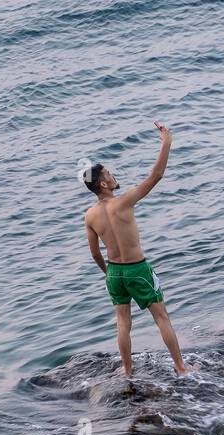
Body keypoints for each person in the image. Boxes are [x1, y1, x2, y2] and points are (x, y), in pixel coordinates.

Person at [83, 121, 192, 378]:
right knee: (161, 317)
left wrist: (107, 272)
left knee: (122, 323)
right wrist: (166, 143)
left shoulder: (89, 215)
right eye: (108, 174)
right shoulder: (123, 202)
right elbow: (156, 176)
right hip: (137, 269)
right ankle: (181, 367)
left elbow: (95, 253)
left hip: (114, 273)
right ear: (102, 185)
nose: (113, 175)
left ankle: (128, 371)